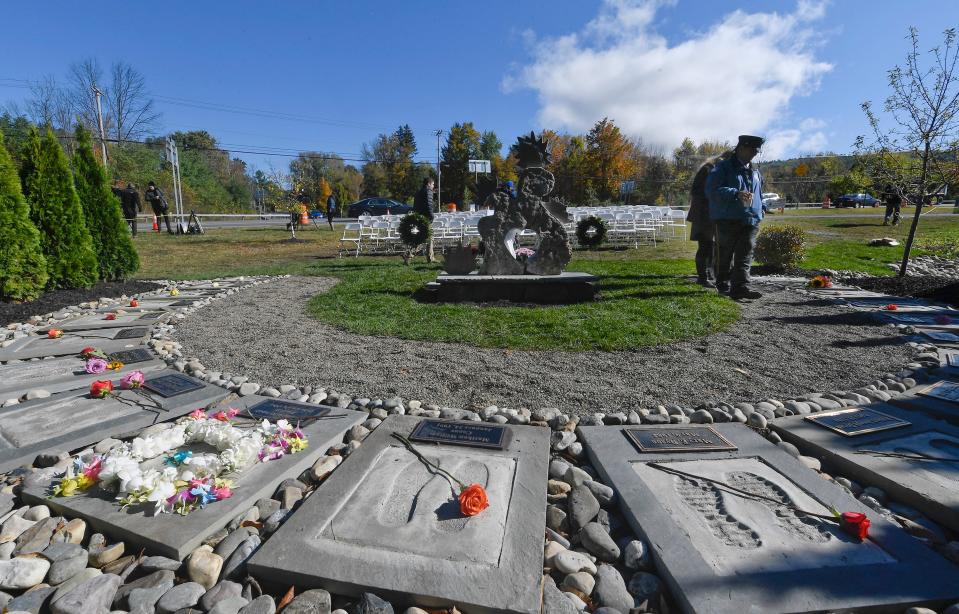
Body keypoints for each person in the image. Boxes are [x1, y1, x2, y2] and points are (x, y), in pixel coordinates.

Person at [706, 135, 766, 300]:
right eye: (752, 149)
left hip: (751, 219)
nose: (755, 153)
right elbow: (711, 191)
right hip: (727, 219)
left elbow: (759, 194)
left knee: (745, 255)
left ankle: (740, 287)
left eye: (757, 150)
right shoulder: (722, 168)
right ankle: (722, 284)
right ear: (741, 148)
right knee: (724, 254)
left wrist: (762, 208)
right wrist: (735, 193)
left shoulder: (755, 172)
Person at [687, 150, 733, 287]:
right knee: (705, 246)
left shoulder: (712, 169)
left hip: (709, 214)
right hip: (703, 214)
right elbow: (701, 192)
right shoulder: (709, 170)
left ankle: (708, 275)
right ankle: (702, 278)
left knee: (709, 247)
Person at [412, 177, 435, 262]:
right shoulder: (428, 191)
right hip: (425, 218)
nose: (433, 186)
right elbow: (429, 205)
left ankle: (430, 257)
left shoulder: (418, 192)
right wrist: (431, 216)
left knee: (423, 237)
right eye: (433, 184)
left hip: (418, 217)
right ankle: (409, 254)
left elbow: (415, 206)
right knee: (428, 237)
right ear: (429, 184)